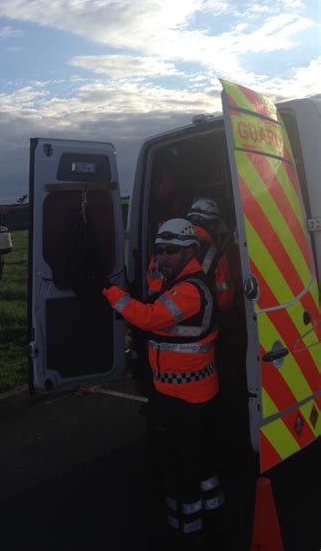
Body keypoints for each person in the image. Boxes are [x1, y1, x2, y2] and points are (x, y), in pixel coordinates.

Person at [101, 218, 225, 550]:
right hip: (182, 394)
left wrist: (110, 292)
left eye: (172, 251)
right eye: (159, 251)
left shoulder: (190, 290)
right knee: (198, 462)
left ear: (191, 251)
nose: (163, 257)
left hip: (186, 397)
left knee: (182, 467)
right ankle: (210, 514)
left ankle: (187, 530)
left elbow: (150, 318)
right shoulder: (177, 283)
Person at [186, 198, 234, 312]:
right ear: (212, 224)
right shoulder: (215, 254)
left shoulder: (166, 246)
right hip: (204, 321)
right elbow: (225, 300)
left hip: (163, 319)